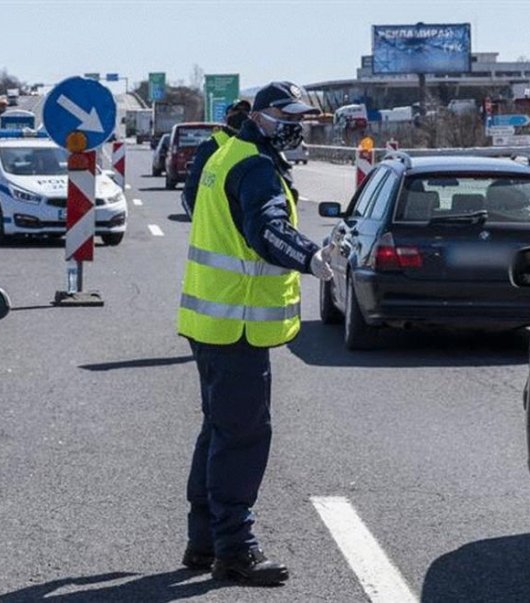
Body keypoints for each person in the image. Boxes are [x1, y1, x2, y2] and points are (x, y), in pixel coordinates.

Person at [177, 81, 332, 586]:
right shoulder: (256, 167)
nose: (296, 126)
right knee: (243, 436)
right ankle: (235, 550)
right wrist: (312, 257)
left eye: (301, 119)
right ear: (262, 118)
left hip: (212, 322)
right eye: (288, 117)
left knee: (219, 431)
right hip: (237, 324)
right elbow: (266, 230)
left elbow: (193, 192)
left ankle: (204, 543)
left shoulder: (226, 154)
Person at [181, 99, 252, 217]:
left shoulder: (254, 145)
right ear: (225, 117)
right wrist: (200, 218)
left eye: (245, 111)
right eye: (236, 111)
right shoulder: (210, 146)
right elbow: (191, 190)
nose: (241, 114)